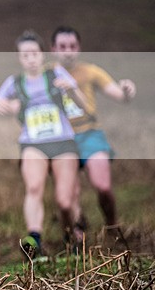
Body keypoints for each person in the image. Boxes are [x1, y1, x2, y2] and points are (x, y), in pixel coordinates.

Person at [0, 30, 87, 259]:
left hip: (63, 142)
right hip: (32, 143)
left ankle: (71, 236)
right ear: (19, 57)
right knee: (34, 188)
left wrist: (70, 90)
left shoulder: (56, 74)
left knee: (64, 201)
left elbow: (83, 104)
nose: (30, 58)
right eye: (25, 54)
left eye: (34, 53)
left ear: (42, 54)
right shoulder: (14, 83)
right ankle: (34, 240)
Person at [50, 26, 137, 233]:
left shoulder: (90, 72)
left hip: (89, 134)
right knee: (70, 195)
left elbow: (119, 95)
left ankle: (114, 227)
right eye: (62, 46)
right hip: (61, 139)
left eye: (72, 46)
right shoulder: (46, 75)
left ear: (79, 47)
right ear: (53, 48)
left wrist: (127, 91)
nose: (68, 51)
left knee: (103, 186)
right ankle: (76, 238)